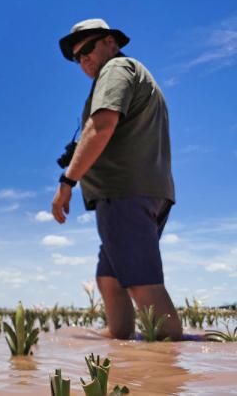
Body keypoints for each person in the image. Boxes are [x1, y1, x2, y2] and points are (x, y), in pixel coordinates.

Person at [51, 19, 183, 341]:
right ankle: (120, 343)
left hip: (126, 192)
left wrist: (67, 182)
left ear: (110, 41)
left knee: (141, 282)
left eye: (87, 49)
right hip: (143, 190)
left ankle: (169, 368)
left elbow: (102, 126)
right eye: (77, 58)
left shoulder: (116, 68)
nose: (83, 60)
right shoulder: (130, 74)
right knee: (109, 280)